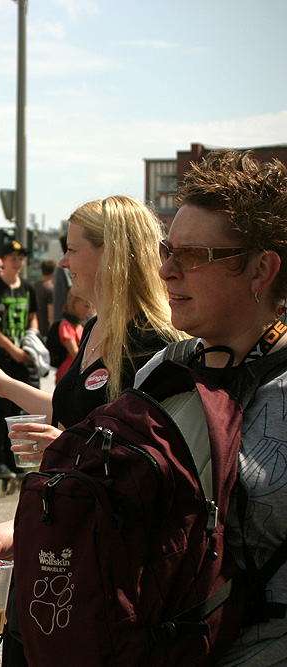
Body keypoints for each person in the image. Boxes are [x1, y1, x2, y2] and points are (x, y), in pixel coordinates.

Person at [0, 194, 180, 663]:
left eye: (73, 248)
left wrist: (69, 448)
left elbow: (157, 466)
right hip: (55, 539)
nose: (62, 261)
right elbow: (79, 415)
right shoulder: (97, 326)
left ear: (113, 254)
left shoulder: (156, 346)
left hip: (104, 569)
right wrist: (7, 387)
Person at [135, 150, 287, 665]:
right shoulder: (161, 371)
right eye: (166, 249)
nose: (166, 270)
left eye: (193, 255)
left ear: (261, 269)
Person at [0, 240, 40, 478]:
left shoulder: (28, 287)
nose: (18, 263)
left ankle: (18, 461)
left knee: (20, 410)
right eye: (13, 258)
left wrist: (30, 341)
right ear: (3, 261)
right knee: (2, 410)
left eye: (20, 259)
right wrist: (11, 348)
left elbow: (33, 317)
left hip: (23, 356)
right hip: (3, 356)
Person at [52, 291, 91, 383]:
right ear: (74, 304)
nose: (88, 310)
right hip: (68, 374)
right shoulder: (66, 325)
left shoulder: (81, 324)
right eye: (86, 306)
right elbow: (75, 354)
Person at [34, 259, 56, 336]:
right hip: (45, 332)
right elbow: (51, 317)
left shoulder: (33, 285)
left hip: (33, 330)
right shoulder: (51, 289)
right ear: (54, 272)